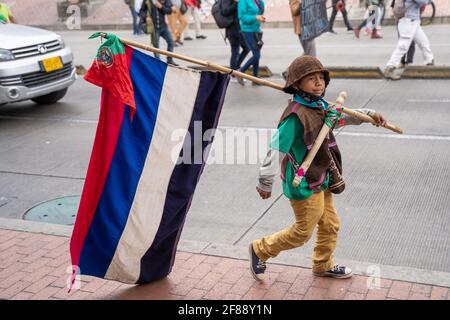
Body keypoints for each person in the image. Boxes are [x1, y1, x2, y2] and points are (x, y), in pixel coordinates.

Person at [249, 55, 387, 281]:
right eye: (311, 79)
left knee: (330, 224)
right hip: (302, 182)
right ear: (296, 85)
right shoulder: (295, 116)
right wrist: (265, 182)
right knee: (302, 232)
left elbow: (341, 116)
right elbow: (275, 149)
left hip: (322, 175)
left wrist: (370, 116)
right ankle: (260, 249)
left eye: (321, 78)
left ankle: (323, 264)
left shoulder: (320, 106)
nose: (318, 83)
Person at [384, 0, 434, 80]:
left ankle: (429, 61)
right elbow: (423, 2)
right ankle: (390, 68)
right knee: (403, 46)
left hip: (414, 20)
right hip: (408, 21)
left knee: (423, 42)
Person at [140, 0, 178, 65]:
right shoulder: (147, 1)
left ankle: (169, 59)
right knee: (156, 45)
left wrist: (161, 7)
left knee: (171, 42)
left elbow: (169, 11)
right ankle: (158, 62)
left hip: (163, 26)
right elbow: (141, 11)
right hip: (154, 27)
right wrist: (145, 17)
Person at [237, 0, 265, 86]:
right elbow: (241, 17)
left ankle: (255, 78)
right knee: (256, 55)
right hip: (247, 30)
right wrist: (255, 18)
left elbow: (260, 12)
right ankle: (241, 71)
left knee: (256, 54)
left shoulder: (258, 1)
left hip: (257, 30)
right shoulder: (243, 1)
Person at [222, 0, 249, 74]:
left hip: (238, 29)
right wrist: (235, 3)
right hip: (232, 30)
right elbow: (225, 11)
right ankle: (234, 70)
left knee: (243, 49)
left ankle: (235, 69)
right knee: (236, 51)